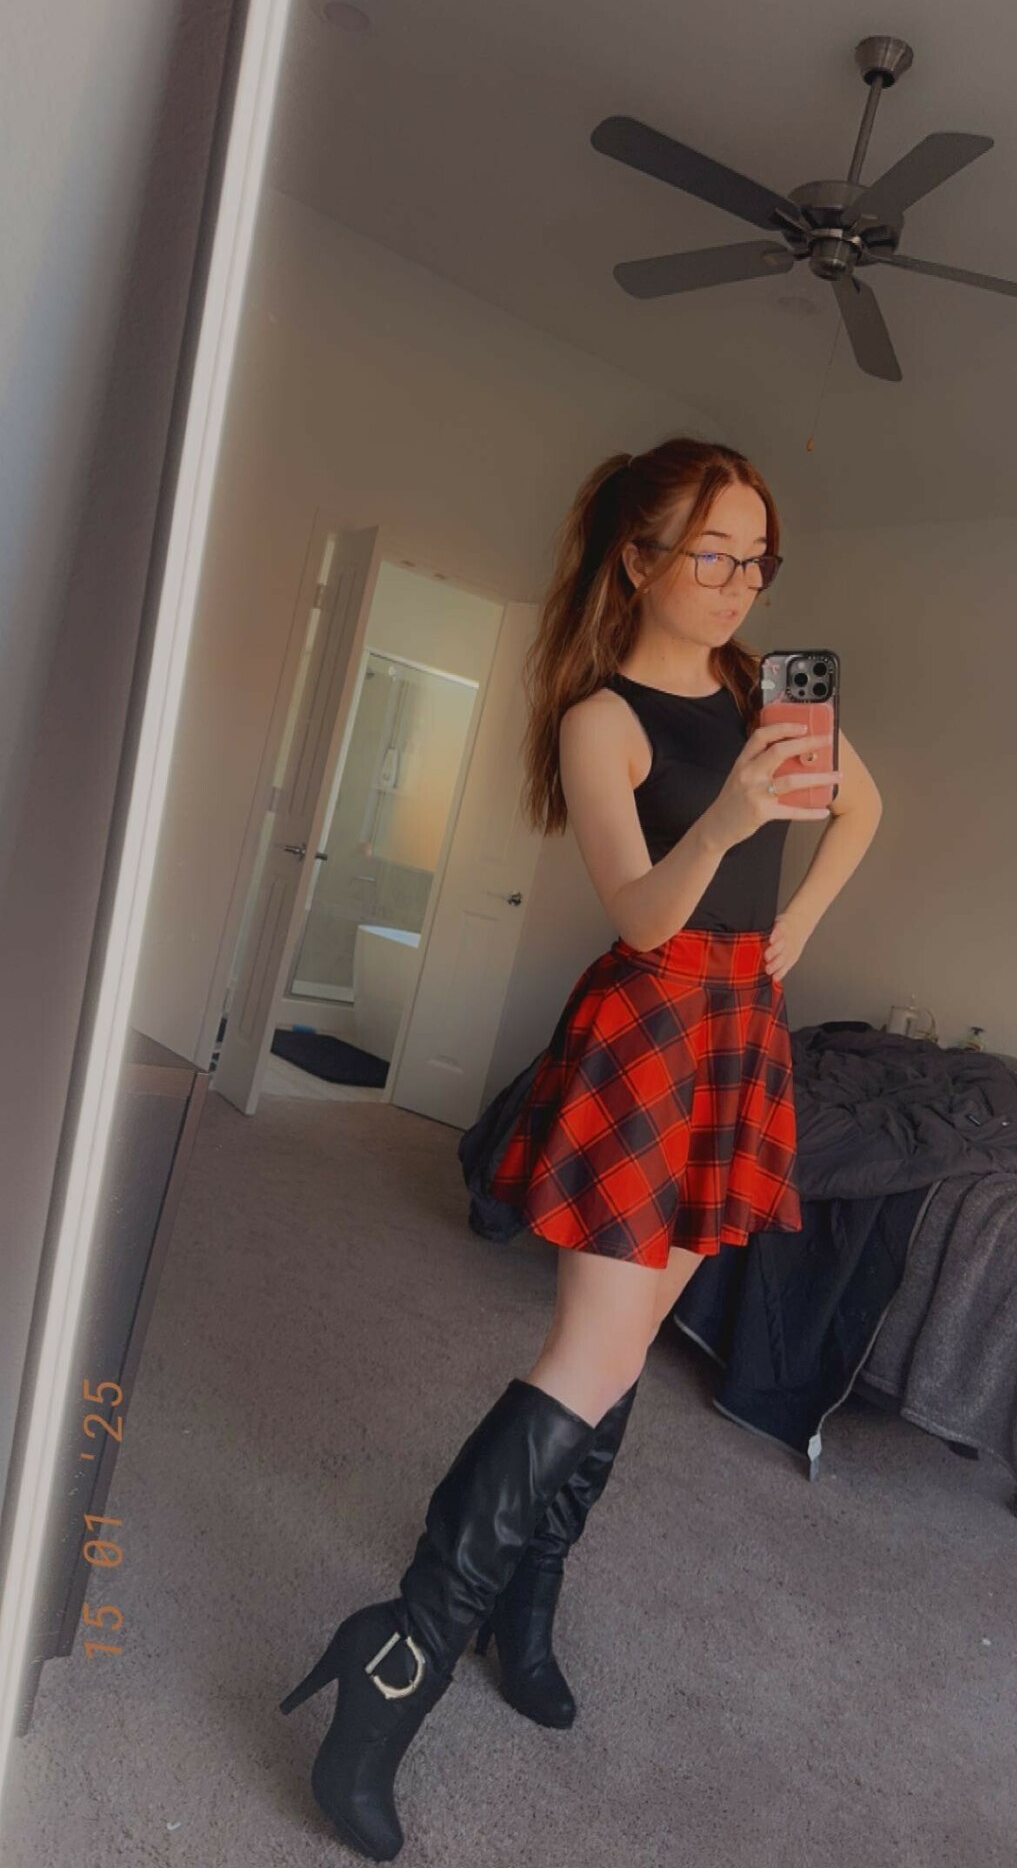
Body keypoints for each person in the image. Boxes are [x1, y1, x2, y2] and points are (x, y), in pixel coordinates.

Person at [279, 436, 884, 1860]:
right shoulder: (599, 719)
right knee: (591, 1353)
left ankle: (527, 1601)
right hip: (655, 1030)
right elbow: (642, 914)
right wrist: (732, 817)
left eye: (756, 557)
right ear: (637, 556)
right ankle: (398, 1659)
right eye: (711, 552)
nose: (737, 582)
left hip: (740, 1029)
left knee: (629, 1346)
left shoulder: (774, 686)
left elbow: (864, 808)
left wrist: (798, 927)